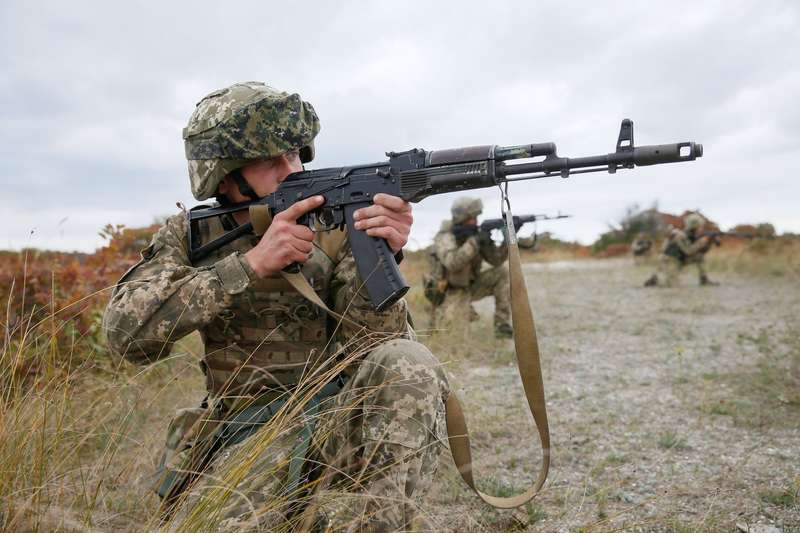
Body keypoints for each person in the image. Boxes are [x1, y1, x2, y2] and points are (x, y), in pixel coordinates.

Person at [102, 82, 449, 531]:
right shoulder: (188, 236)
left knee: (407, 361)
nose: (293, 170)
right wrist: (248, 265)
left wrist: (383, 248)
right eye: (271, 161)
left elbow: (375, 343)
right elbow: (124, 336)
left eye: (297, 155)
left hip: (336, 418)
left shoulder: (336, 224)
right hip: (247, 429)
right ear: (223, 176)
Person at [429, 197, 513, 338]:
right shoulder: (445, 236)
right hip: (449, 292)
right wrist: (475, 242)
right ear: (461, 217)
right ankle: (442, 316)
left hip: (471, 286)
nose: (475, 221)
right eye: (472, 218)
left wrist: (507, 240)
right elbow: (452, 262)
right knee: (452, 339)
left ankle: (502, 327)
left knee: (502, 272)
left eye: (476, 217)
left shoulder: (474, 234)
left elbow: (496, 261)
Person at [643, 213, 717, 287]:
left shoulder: (690, 235)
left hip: (679, 260)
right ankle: (655, 278)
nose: (702, 228)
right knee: (670, 285)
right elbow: (688, 251)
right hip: (670, 261)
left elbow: (696, 251)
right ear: (695, 226)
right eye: (700, 227)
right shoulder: (680, 235)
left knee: (699, 257)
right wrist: (700, 242)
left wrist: (707, 244)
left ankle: (704, 279)